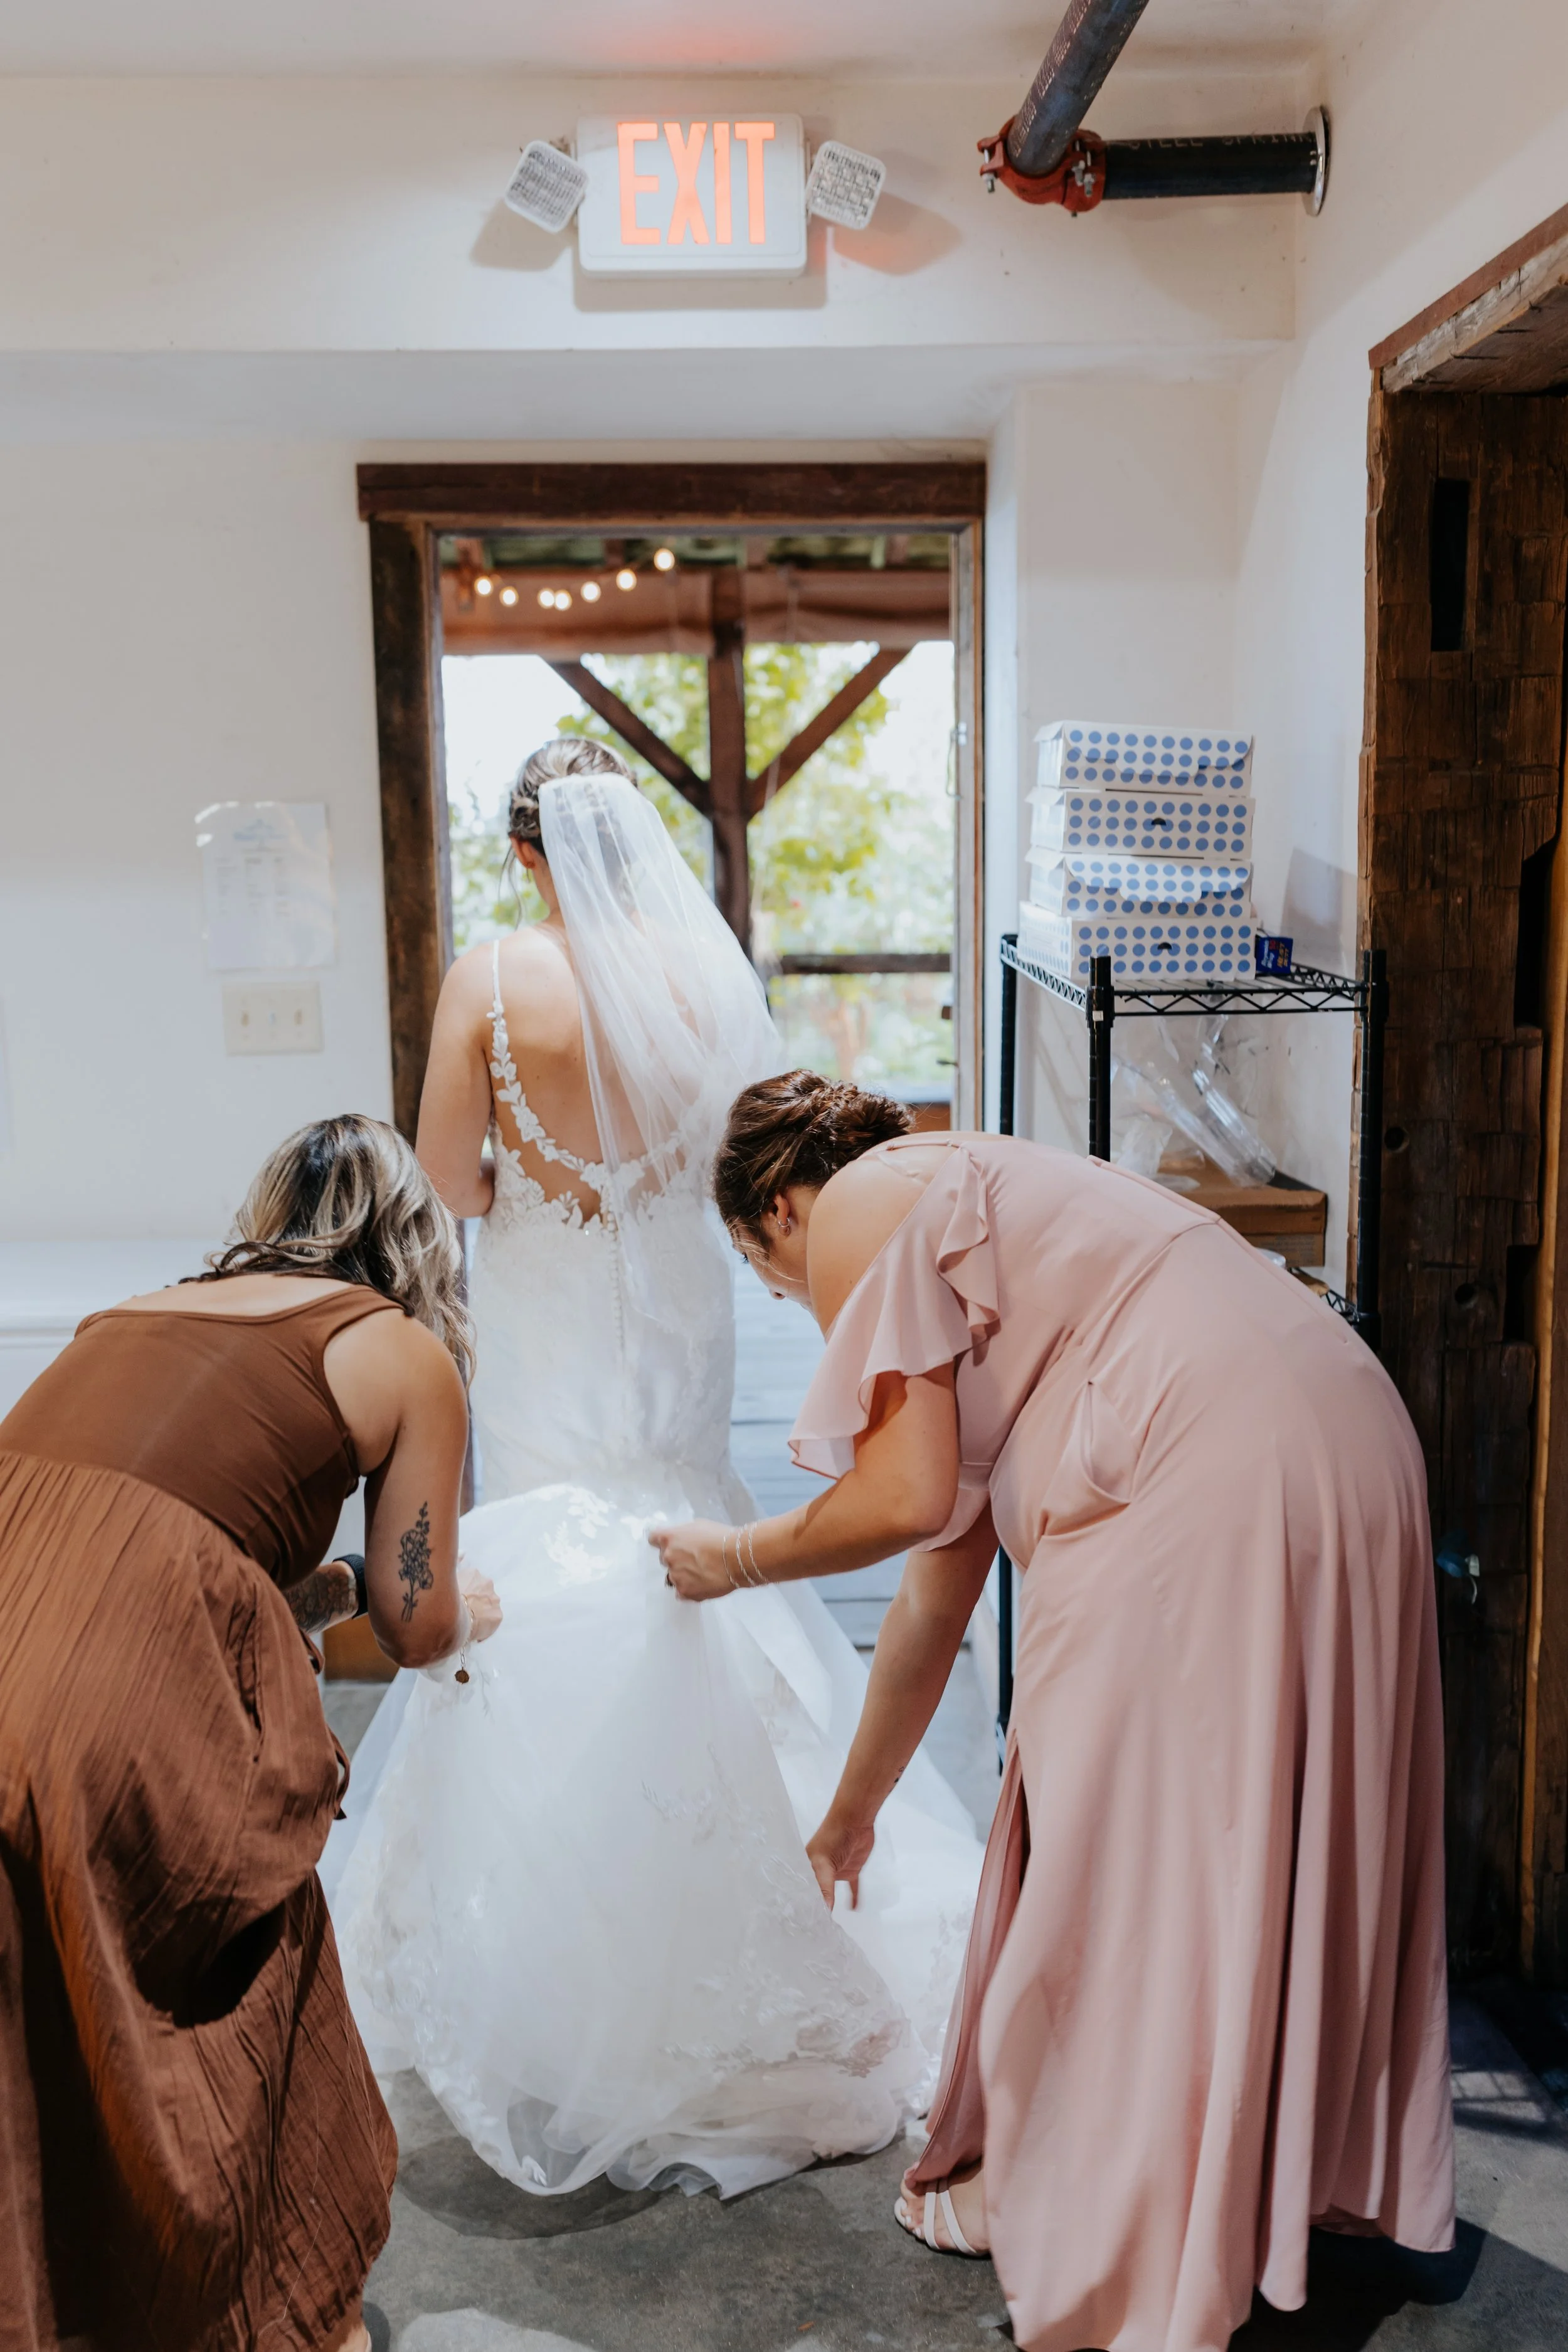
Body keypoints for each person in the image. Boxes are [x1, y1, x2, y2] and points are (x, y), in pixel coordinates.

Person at [652, 1075, 1456, 2352]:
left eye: (765, 1272)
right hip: (1342, 1427)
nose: (786, 1303)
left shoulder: (864, 1203)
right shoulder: (989, 1223)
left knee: (1120, 1852)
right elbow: (928, 1603)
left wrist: (732, 1556)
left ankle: (1124, 2217)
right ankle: (1262, 2182)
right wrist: (849, 1817)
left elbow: (903, 1499)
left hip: (1199, 1461)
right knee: (1260, 1831)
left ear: (780, 1209)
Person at [326, 739, 982, 2200]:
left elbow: (447, 1184)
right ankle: (795, 1832)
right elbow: (739, 1160)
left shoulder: (493, 980)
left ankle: (566, 1914)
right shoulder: (702, 977)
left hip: (551, 1304)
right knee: (687, 1527)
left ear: (528, 853)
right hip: (677, 1302)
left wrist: (529, 1184)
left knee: (556, 1552)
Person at [0, 1113, 501, 2352]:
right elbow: (419, 1622)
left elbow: (157, 1543)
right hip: (107, 1699)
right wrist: (466, 1603)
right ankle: (265, 2309)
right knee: (245, 1947)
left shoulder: (130, 1316)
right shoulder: (396, 1351)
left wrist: (322, 1591)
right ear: (415, 1241)